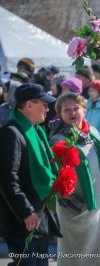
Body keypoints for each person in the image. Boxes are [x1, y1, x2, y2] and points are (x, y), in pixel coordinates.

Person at [49, 93, 100, 266]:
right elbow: (57, 178)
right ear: (60, 114)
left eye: (76, 108)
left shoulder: (93, 132)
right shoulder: (59, 139)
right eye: (66, 110)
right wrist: (74, 204)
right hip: (76, 209)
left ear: (84, 109)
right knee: (77, 257)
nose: (72, 112)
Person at [0, 83, 61, 266]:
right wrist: (26, 211)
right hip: (22, 220)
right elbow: (7, 179)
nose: (47, 108)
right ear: (29, 105)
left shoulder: (36, 130)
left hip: (39, 215)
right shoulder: (10, 133)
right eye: (44, 104)